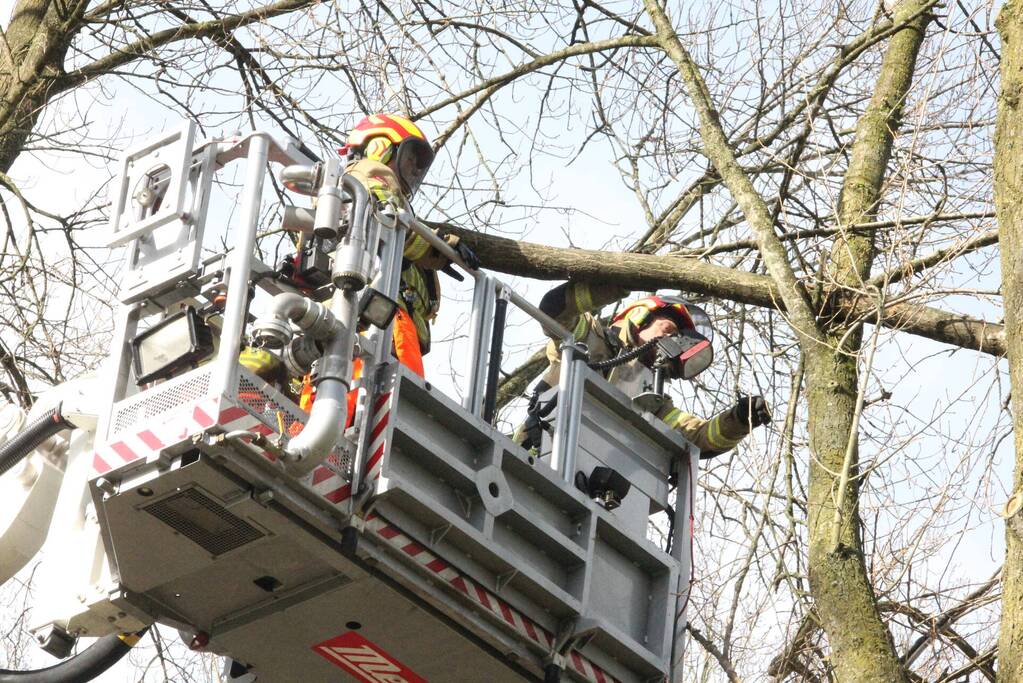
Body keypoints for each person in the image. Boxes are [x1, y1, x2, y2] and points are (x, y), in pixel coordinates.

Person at [516, 282, 770, 459]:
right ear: (640, 317)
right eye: (670, 331)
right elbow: (553, 311)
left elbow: (699, 439)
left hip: (589, 484)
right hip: (537, 452)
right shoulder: (594, 339)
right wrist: (614, 284)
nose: (674, 344)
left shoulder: (655, 404)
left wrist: (738, 420)